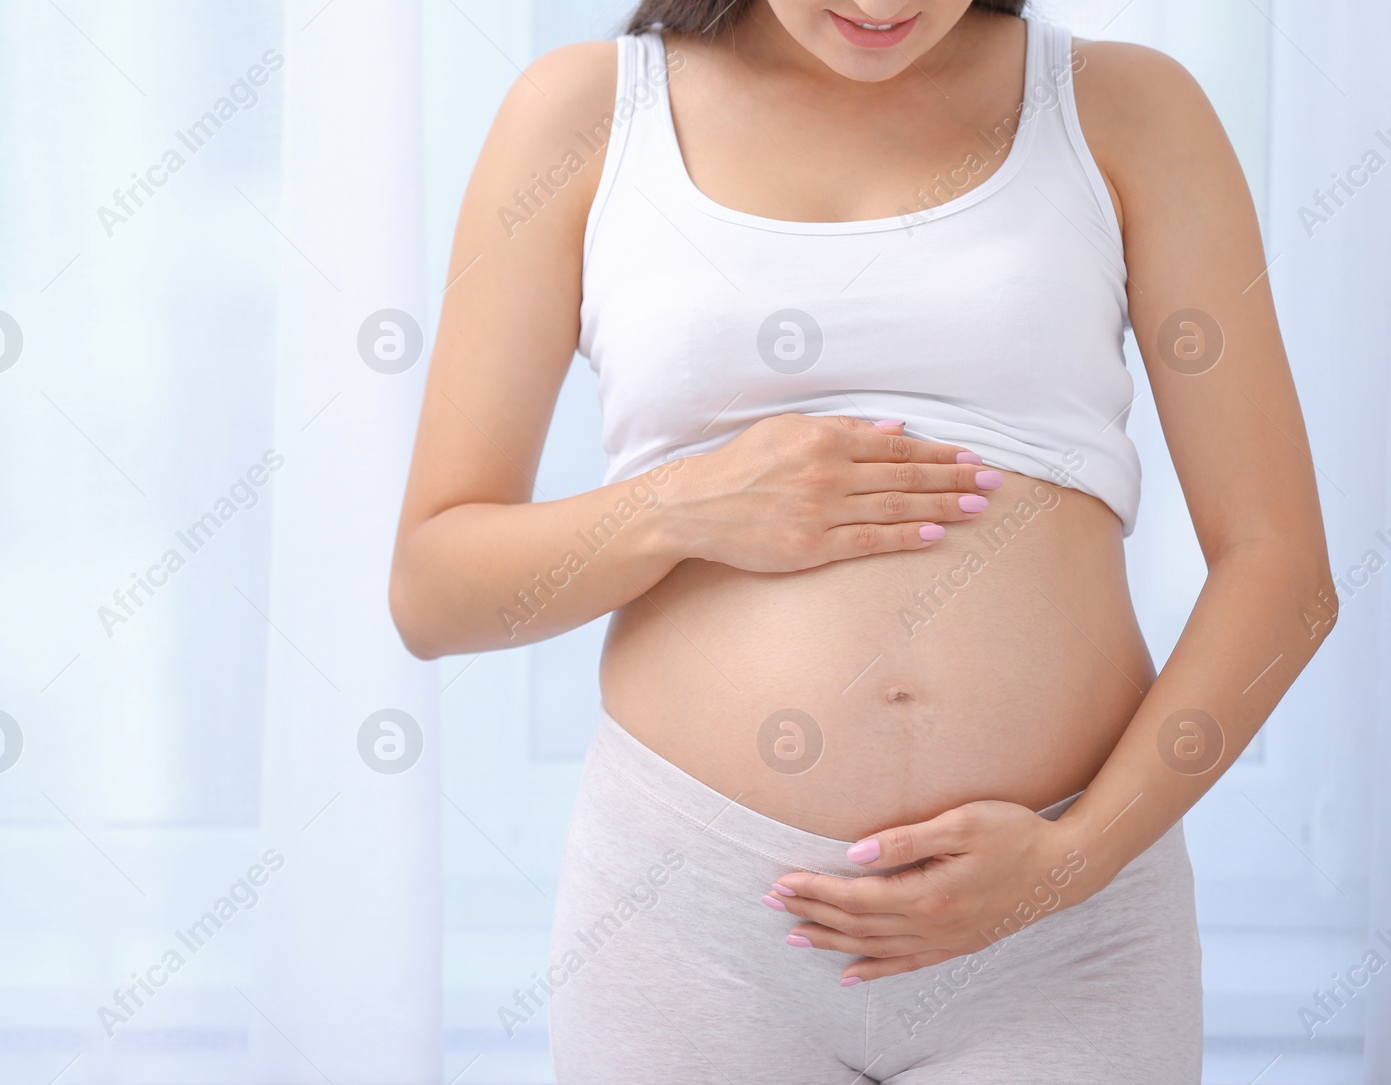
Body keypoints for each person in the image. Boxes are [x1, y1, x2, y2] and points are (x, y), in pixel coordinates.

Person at [390, 0, 1334, 1080]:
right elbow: (433, 588)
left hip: (1064, 930)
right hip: (696, 920)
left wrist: (1074, 859)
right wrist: (684, 503)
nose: (883, 6)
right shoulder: (585, 115)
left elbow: (1282, 570)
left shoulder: (1126, 110)